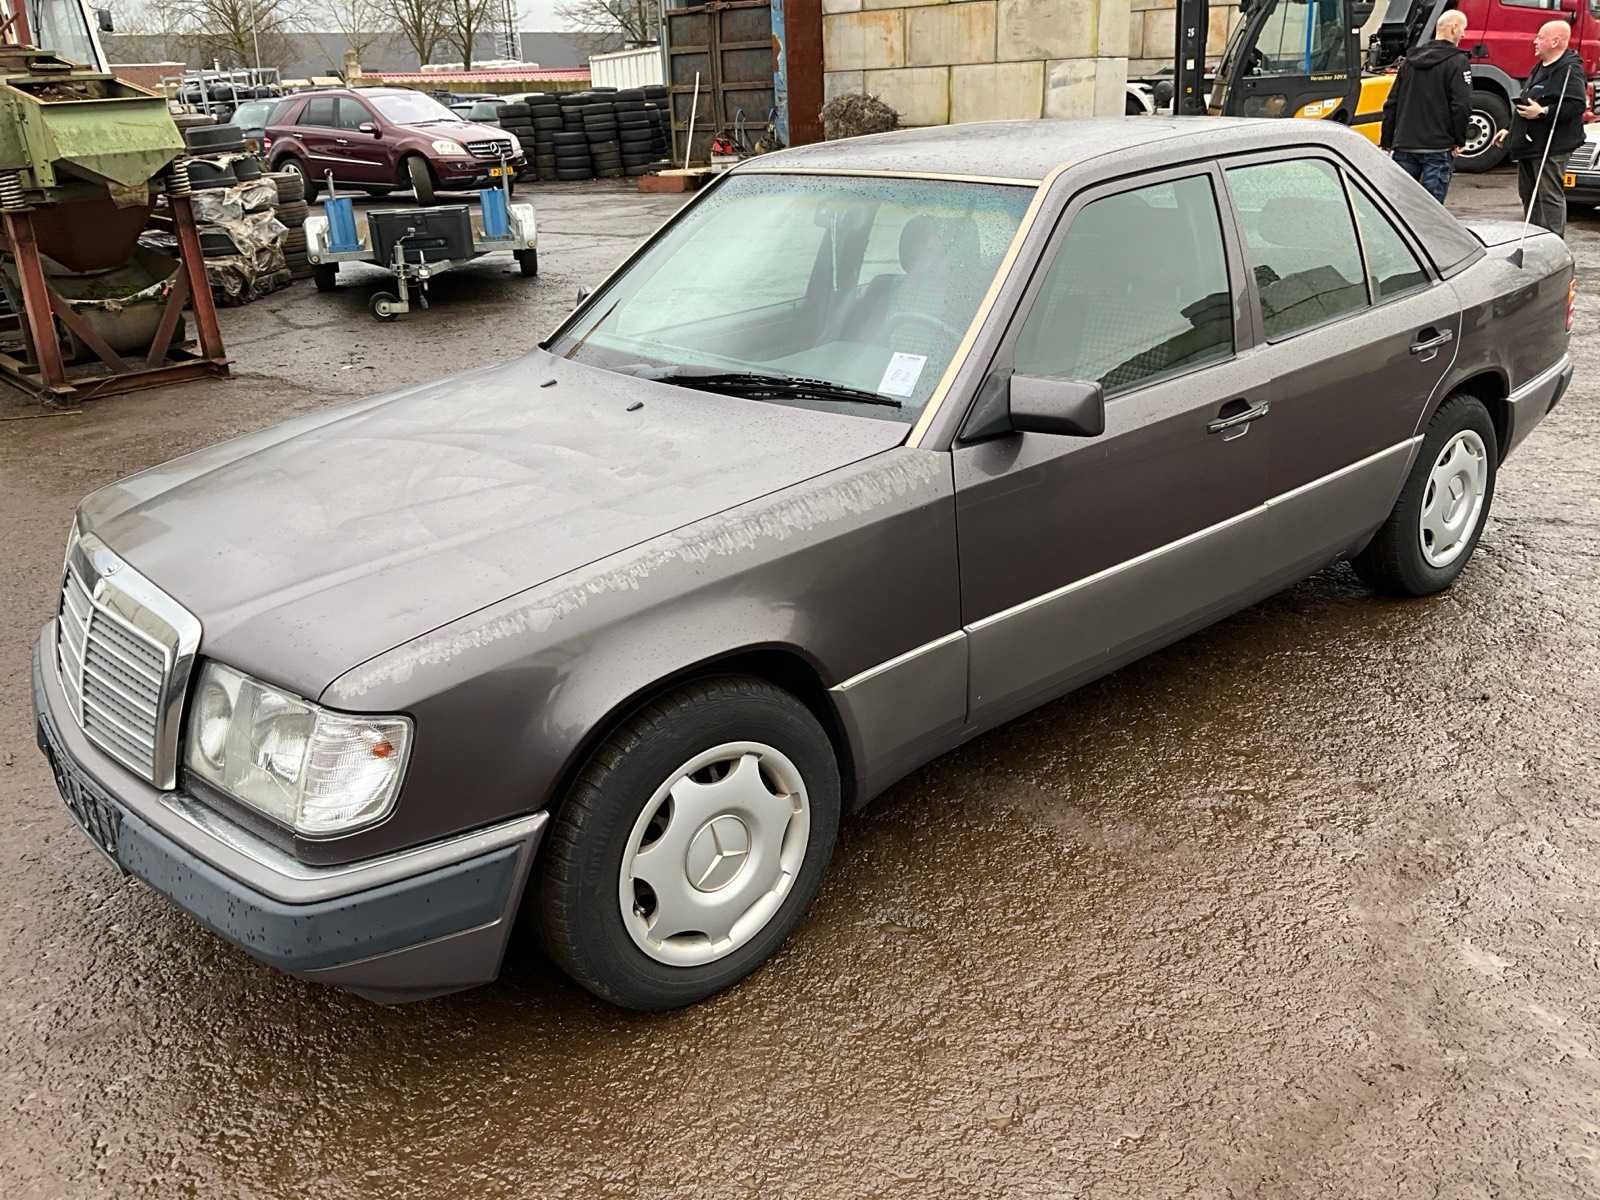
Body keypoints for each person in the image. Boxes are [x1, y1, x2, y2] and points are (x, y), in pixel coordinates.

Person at [1492, 20, 1588, 237]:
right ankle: (1535, 240)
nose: (1534, 41)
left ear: (1555, 42)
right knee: (1528, 194)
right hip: (1529, 144)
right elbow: (1528, 101)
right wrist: (1510, 129)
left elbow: (1576, 105)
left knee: (1548, 196)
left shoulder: (1569, 70)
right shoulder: (1539, 67)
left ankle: (1554, 244)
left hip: (1552, 146)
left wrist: (1543, 112)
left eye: (1540, 37)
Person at [1380, 10, 1473, 203]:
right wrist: (1459, 140)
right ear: (1454, 28)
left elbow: (1391, 103)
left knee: (1400, 208)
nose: (1464, 35)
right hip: (1437, 147)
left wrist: (1388, 141)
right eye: (1463, 29)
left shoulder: (1409, 61)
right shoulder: (1458, 62)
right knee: (1431, 213)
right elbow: (1461, 105)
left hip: (1405, 144)